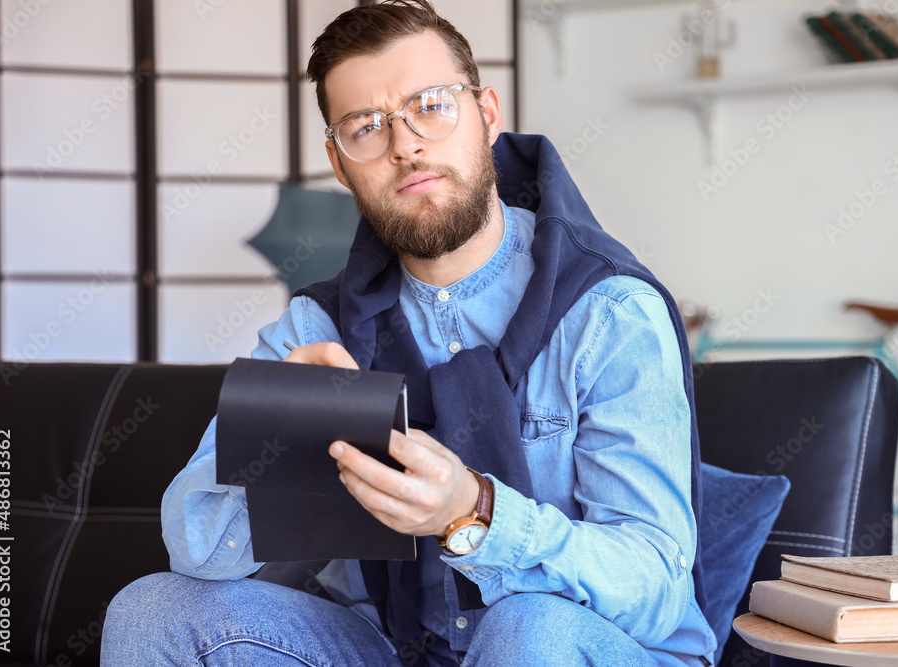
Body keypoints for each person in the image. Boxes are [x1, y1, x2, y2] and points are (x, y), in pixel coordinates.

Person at [102, 1, 717, 665]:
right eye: (367, 126)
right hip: (392, 648)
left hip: (584, 645)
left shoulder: (608, 311)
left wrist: (474, 513)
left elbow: (654, 584)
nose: (405, 145)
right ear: (340, 164)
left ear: (485, 115)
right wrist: (275, 431)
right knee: (152, 607)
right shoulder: (314, 330)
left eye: (431, 104)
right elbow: (198, 550)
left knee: (528, 628)